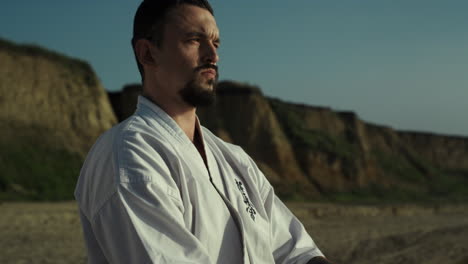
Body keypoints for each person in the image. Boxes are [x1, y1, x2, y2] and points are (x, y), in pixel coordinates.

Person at [75, 0, 333, 263]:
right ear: (148, 54)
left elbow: (295, 251)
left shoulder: (234, 159)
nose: (213, 55)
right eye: (195, 40)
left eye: (216, 43)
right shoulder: (129, 155)